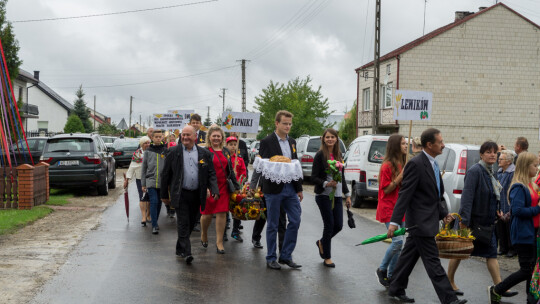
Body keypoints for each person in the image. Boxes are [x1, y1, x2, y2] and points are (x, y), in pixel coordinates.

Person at [386, 128, 466, 304]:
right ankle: (449, 299)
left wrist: (444, 214)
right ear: (430, 144)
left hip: (427, 220)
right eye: (440, 142)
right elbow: (404, 195)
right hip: (420, 223)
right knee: (433, 262)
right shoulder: (416, 164)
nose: (443, 145)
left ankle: (396, 288)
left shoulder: (434, 163)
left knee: (408, 257)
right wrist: (394, 222)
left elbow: (434, 195)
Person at [447, 141, 514, 298]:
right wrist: (464, 221)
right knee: (460, 252)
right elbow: (467, 197)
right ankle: (449, 281)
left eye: (494, 152)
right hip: (471, 222)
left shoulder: (492, 171)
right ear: (481, 155)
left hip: (487, 223)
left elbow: (493, 194)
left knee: (491, 254)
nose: (492, 155)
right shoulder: (475, 171)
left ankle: (500, 286)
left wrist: (497, 210)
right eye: (488, 152)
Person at [160, 125, 219, 264]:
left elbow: (211, 173)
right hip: (181, 194)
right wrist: (164, 195)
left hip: (197, 194)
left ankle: (180, 247)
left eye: (188, 135)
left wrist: (214, 189)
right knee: (183, 223)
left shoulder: (204, 153)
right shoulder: (173, 152)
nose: (185, 137)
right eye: (183, 135)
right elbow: (165, 175)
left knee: (192, 222)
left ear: (195, 137)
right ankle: (187, 252)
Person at [488, 152, 540, 304]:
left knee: (531, 269)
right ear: (525, 166)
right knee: (526, 269)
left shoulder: (532, 184)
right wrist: (537, 209)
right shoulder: (518, 186)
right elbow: (517, 211)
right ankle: (497, 289)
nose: (537, 168)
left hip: (533, 232)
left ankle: (530, 299)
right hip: (523, 232)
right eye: (535, 165)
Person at [259, 110, 303, 270]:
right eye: (285, 123)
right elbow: (262, 166)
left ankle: (285, 255)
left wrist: (299, 188)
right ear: (277, 123)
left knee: (296, 220)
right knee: (272, 224)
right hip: (273, 188)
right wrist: (255, 187)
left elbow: (295, 164)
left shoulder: (292, 141)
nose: (288, 126)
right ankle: (271, 257)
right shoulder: (266, 141)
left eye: (290, 124)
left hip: (290, 187)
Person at [311, 128, 351, 268]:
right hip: (323, 195)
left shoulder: (339, 155)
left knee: (338, 225)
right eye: (327, 137)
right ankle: (327, 257)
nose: (330, 139)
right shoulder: (320, 155)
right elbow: (313, 176)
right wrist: (326, 183)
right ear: (323, 139)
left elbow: (342, 177)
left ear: (336, 139)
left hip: (337, 195)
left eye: (332, 137)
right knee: (329, 225)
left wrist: (347, 195)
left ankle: (322, 242)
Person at [200, 126, 240, 254]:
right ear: (209, 137)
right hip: (209, 187)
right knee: (207, 215)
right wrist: (205, 187)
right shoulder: (204, 152)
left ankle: (219, 242)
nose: (216, 138)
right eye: (214, 136)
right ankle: (204, 233)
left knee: (222, 213)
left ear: (222, 137)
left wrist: (237, 186)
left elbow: (230, 170)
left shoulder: (226, 151)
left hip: (223, 186)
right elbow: (201, 171)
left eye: (218, 136)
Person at [375, 134, 407, 285]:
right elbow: (387, 189)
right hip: (389, 207)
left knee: (400, 245)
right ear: (395, 146)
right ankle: (382, 269)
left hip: (401, 208)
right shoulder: (387, 165)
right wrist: (400, 176)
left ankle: (392, 275)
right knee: (398, 242)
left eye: (406, 143)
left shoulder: (403, 163)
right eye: (403, 144)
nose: (406, 146)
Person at [141, 130, 167, 235]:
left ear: (162, 138)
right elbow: (144, 168)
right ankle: (154, 225)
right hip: (150, 180)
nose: (158, 138)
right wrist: (143, 183)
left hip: (162, 181)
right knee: (154, 201)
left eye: (159, 137)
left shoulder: (165, 150)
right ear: (152, 138)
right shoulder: (148, 151)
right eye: (156, 137)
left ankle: (155, 221)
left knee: (160, 202)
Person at [124, 136, 151, 227]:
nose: (147, 145)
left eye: (148, 143)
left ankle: (148, 215)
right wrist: (127, 179)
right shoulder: (137, 154)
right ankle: (143, 217)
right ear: (141, 144)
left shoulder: (152, 152)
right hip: (140, 178)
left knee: (150, 198)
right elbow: (132, 167)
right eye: (145, 143)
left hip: (151, 178)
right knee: (142, 197)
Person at [225, 136, 247, 242]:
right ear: (226, 145)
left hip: (237, 188)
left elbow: (244, 172)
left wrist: (238, 179)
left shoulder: (240, 159)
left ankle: (235, 232)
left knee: (237, 210)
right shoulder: (224, 158)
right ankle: (223, 232)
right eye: (230, 144)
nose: (233, 147)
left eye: (235, 144)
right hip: (226, 187)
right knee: (224, 211)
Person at [496, 150, 515, 257]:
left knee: (509, 227)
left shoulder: (512, 172)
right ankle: (503, 247)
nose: (499, 160)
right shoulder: (499, 171)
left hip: (508, 204)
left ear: (508, 161)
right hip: (500, 204)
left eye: (501, 159)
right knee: (501, 227)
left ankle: (511, 249)